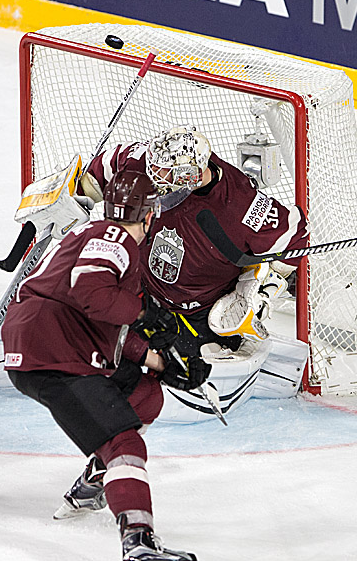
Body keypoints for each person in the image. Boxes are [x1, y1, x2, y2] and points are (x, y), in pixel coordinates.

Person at [1, 170, 207, 561]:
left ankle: (95, 483)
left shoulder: (92, 233)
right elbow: (91, 294)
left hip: (51, 344)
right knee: (124, 443)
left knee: (144, 394)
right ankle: (140, 548)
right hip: (55, 349)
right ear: (149, 216)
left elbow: (98, 314)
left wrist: (157, 360)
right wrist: (145, 313)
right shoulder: (115, 239)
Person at [85, 124, 310, 387]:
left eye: (162, 177)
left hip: (198, 312)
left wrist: (262, 289)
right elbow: (98, 173)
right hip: (140, 290)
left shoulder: (239, 203)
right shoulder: (144, 160)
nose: (152, 179)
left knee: (189, 374)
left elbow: (295, 235)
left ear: (190, 176)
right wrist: (75, 198)